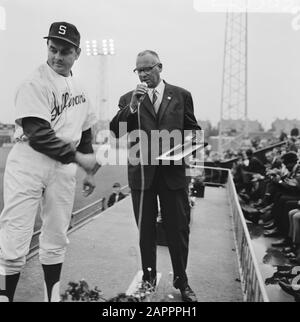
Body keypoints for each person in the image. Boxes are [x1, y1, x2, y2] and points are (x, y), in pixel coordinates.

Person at [0, 22, 101, 302]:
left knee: (57, 236)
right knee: (15, 237)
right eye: (52, 49)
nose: (57, 56)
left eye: (65, 51)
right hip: (30, 163)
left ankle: (52, 297)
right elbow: (39, 135)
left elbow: (85, 131)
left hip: (63, 167)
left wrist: (88, 167)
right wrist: (80, 159)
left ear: (77, 53)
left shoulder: (80, 87)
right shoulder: (34, 82)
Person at [110, 50, 201, 302]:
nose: (142, 74)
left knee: (178, 230)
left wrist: (189, 146)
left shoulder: (182, 95)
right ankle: (148, 280)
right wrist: (131, 107)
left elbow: (194, 131)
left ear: (159, 67)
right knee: (145, 232)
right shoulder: (129, 98)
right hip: (142, 175)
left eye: (147, 68)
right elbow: (116, 131)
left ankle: (182, 282)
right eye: (138, 70)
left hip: (173, 175)